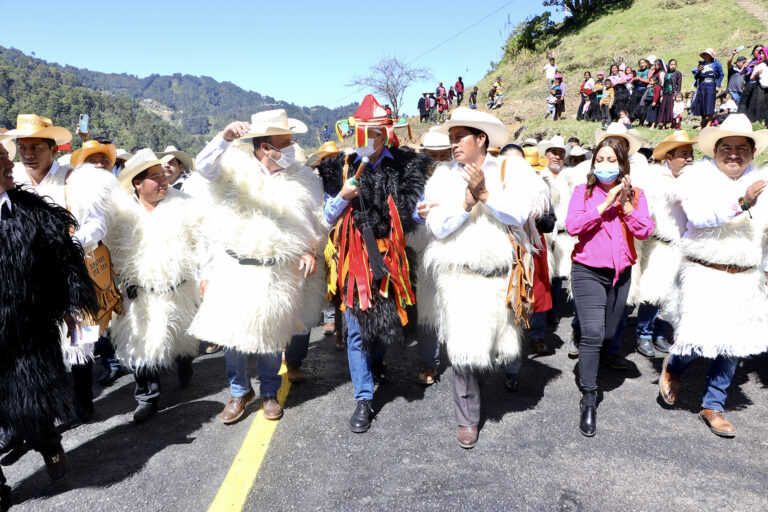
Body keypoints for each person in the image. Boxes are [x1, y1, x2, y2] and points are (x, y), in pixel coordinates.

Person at [186, 109, 325, 425]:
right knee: (233, 337)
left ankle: (269, 393)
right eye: (286, 141)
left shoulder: (302, 179)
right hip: (235, 268)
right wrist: (224, 138)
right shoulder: (234, 169)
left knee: (272, 337)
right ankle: (239, 391)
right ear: (266, 146)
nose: (291, 147)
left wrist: (309, 249)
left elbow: (309, 220)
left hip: (277, 271)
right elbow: (204, 168)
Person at [424, 107, 548, 447]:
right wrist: (465, 204)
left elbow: (520, 214)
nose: (453, 144)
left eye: (459, 137)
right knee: (463, 355)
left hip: (500, 278)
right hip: (459, 279)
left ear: (481, 139)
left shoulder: (508, 170)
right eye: (450, 138)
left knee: (500, 347)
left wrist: (485, 195)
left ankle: (508, 375)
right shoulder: (441, 177)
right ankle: (467, 419)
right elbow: (436, 227)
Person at [317, 95, 428, 433]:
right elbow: (325, 216)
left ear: (383, 135)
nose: (362, 141)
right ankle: (363, 398)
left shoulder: (408, 166)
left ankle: (378, 361)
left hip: (392, 257)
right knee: (355, 330)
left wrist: (418, 214)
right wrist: (342, 197)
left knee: (383, 325)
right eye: (358, 134)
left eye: (370, 135)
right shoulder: (342, 167)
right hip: (356, 256)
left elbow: (414, 211)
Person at [0, 135, 98, 507]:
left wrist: (73, 304)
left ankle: (49, 444)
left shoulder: (34, 211)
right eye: (2, 160)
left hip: (30, 331)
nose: (12, 164)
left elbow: (66, 260)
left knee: (34, 400)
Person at [659, 114, 768, 437]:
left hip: (747, 276)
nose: (734, 153)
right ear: (715, 150)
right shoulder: (696, 179)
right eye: (727, 147)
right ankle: (674, 366)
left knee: (733, 346)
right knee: (695, 339)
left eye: (741, 148)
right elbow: (700, 217)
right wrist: (742, 201)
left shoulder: (765, 182)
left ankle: (713, 404)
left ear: (752, 152)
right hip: (704, 273)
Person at [9, 115, 116, 423]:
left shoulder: (76, 179)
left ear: (52, 150)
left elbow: (97, 223)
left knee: (78, 342)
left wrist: (69, 245)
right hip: (30, 278)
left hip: (70, 275)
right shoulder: (12, 178)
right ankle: (49, 405)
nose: (28, 154)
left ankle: (83, 403)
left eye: (35, 147)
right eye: (23, 147)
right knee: (41, 344)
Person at [104, 149, 204, 423]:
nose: (163, 182)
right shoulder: (120, 213)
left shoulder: (185, 205)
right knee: (140, 345)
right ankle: (147, 397)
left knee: (181, 338)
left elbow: (200, 244)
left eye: (164, 176)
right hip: (138, 294)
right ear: (137, 182)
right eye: (155, 177)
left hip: (178, 290)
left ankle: (185, 365)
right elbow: (111, 252)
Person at [565, 138, 654, 437]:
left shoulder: (637, 195)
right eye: (599, 159)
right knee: (593, 334)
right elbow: (573, 226)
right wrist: (604, 206)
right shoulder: (583, 192)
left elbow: (646, 229)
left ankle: (590, 343)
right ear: (592, 164)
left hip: (621, 273)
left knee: (611, 331)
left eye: (611, 160)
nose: (605, 165)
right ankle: (589, 397)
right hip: (587, 271)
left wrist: (626, 205)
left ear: (622, 165)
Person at [631, 131, 694, 358]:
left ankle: (659, 333)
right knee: (653, 292)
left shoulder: (693, 181)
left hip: (682, 245)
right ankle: (644, 333)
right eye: (683, 154)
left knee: (672, 294)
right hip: (659, 243)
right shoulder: (654, 179)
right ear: (669, 156)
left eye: (690, 154)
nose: (688, 158)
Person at [691, 48, 724, 128]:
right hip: (702, 85)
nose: (705, 56)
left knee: (709, 103)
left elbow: (721, 74)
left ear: (711, 55)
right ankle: (703, 121)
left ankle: (709, 123)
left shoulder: (716, 64)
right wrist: (699, 71)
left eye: (707, 54)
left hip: (711, 85)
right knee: (702, 103)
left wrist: (718, 85)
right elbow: (696, 77)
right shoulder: (702, 64)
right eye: (704, 55)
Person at [739, 44, 765, 115]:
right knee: (744, 101)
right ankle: (742, 116)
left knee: (754, 102)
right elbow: (741, 73)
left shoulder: (763, 62)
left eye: (761, 51)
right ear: (753, 52)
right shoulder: (750, 61)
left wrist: (756, 67)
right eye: (757, 50)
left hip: (757, 85)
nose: (759, 52)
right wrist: (745, 67)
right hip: (748, 84)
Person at [658, 59, 683, 130]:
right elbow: (664, 85)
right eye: (671, 64)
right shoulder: (666, 73)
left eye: (674, 65)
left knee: (671, 109)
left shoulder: (678, 73)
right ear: (668, 65)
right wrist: (662, 95)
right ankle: (664, 124)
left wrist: (676, 95)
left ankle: (672, 124)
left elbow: (679, 85)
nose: (673, 66)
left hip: (672, 93)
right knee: (664, 108)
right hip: (666, 93)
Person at [746, 47, 768, 126]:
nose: (761, 55)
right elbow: (751, 78)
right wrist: (757, 73)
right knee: (759, 105)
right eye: (760, 54)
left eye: (763, 53)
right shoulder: (759, 65)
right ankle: (758, 123)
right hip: (761, 89)